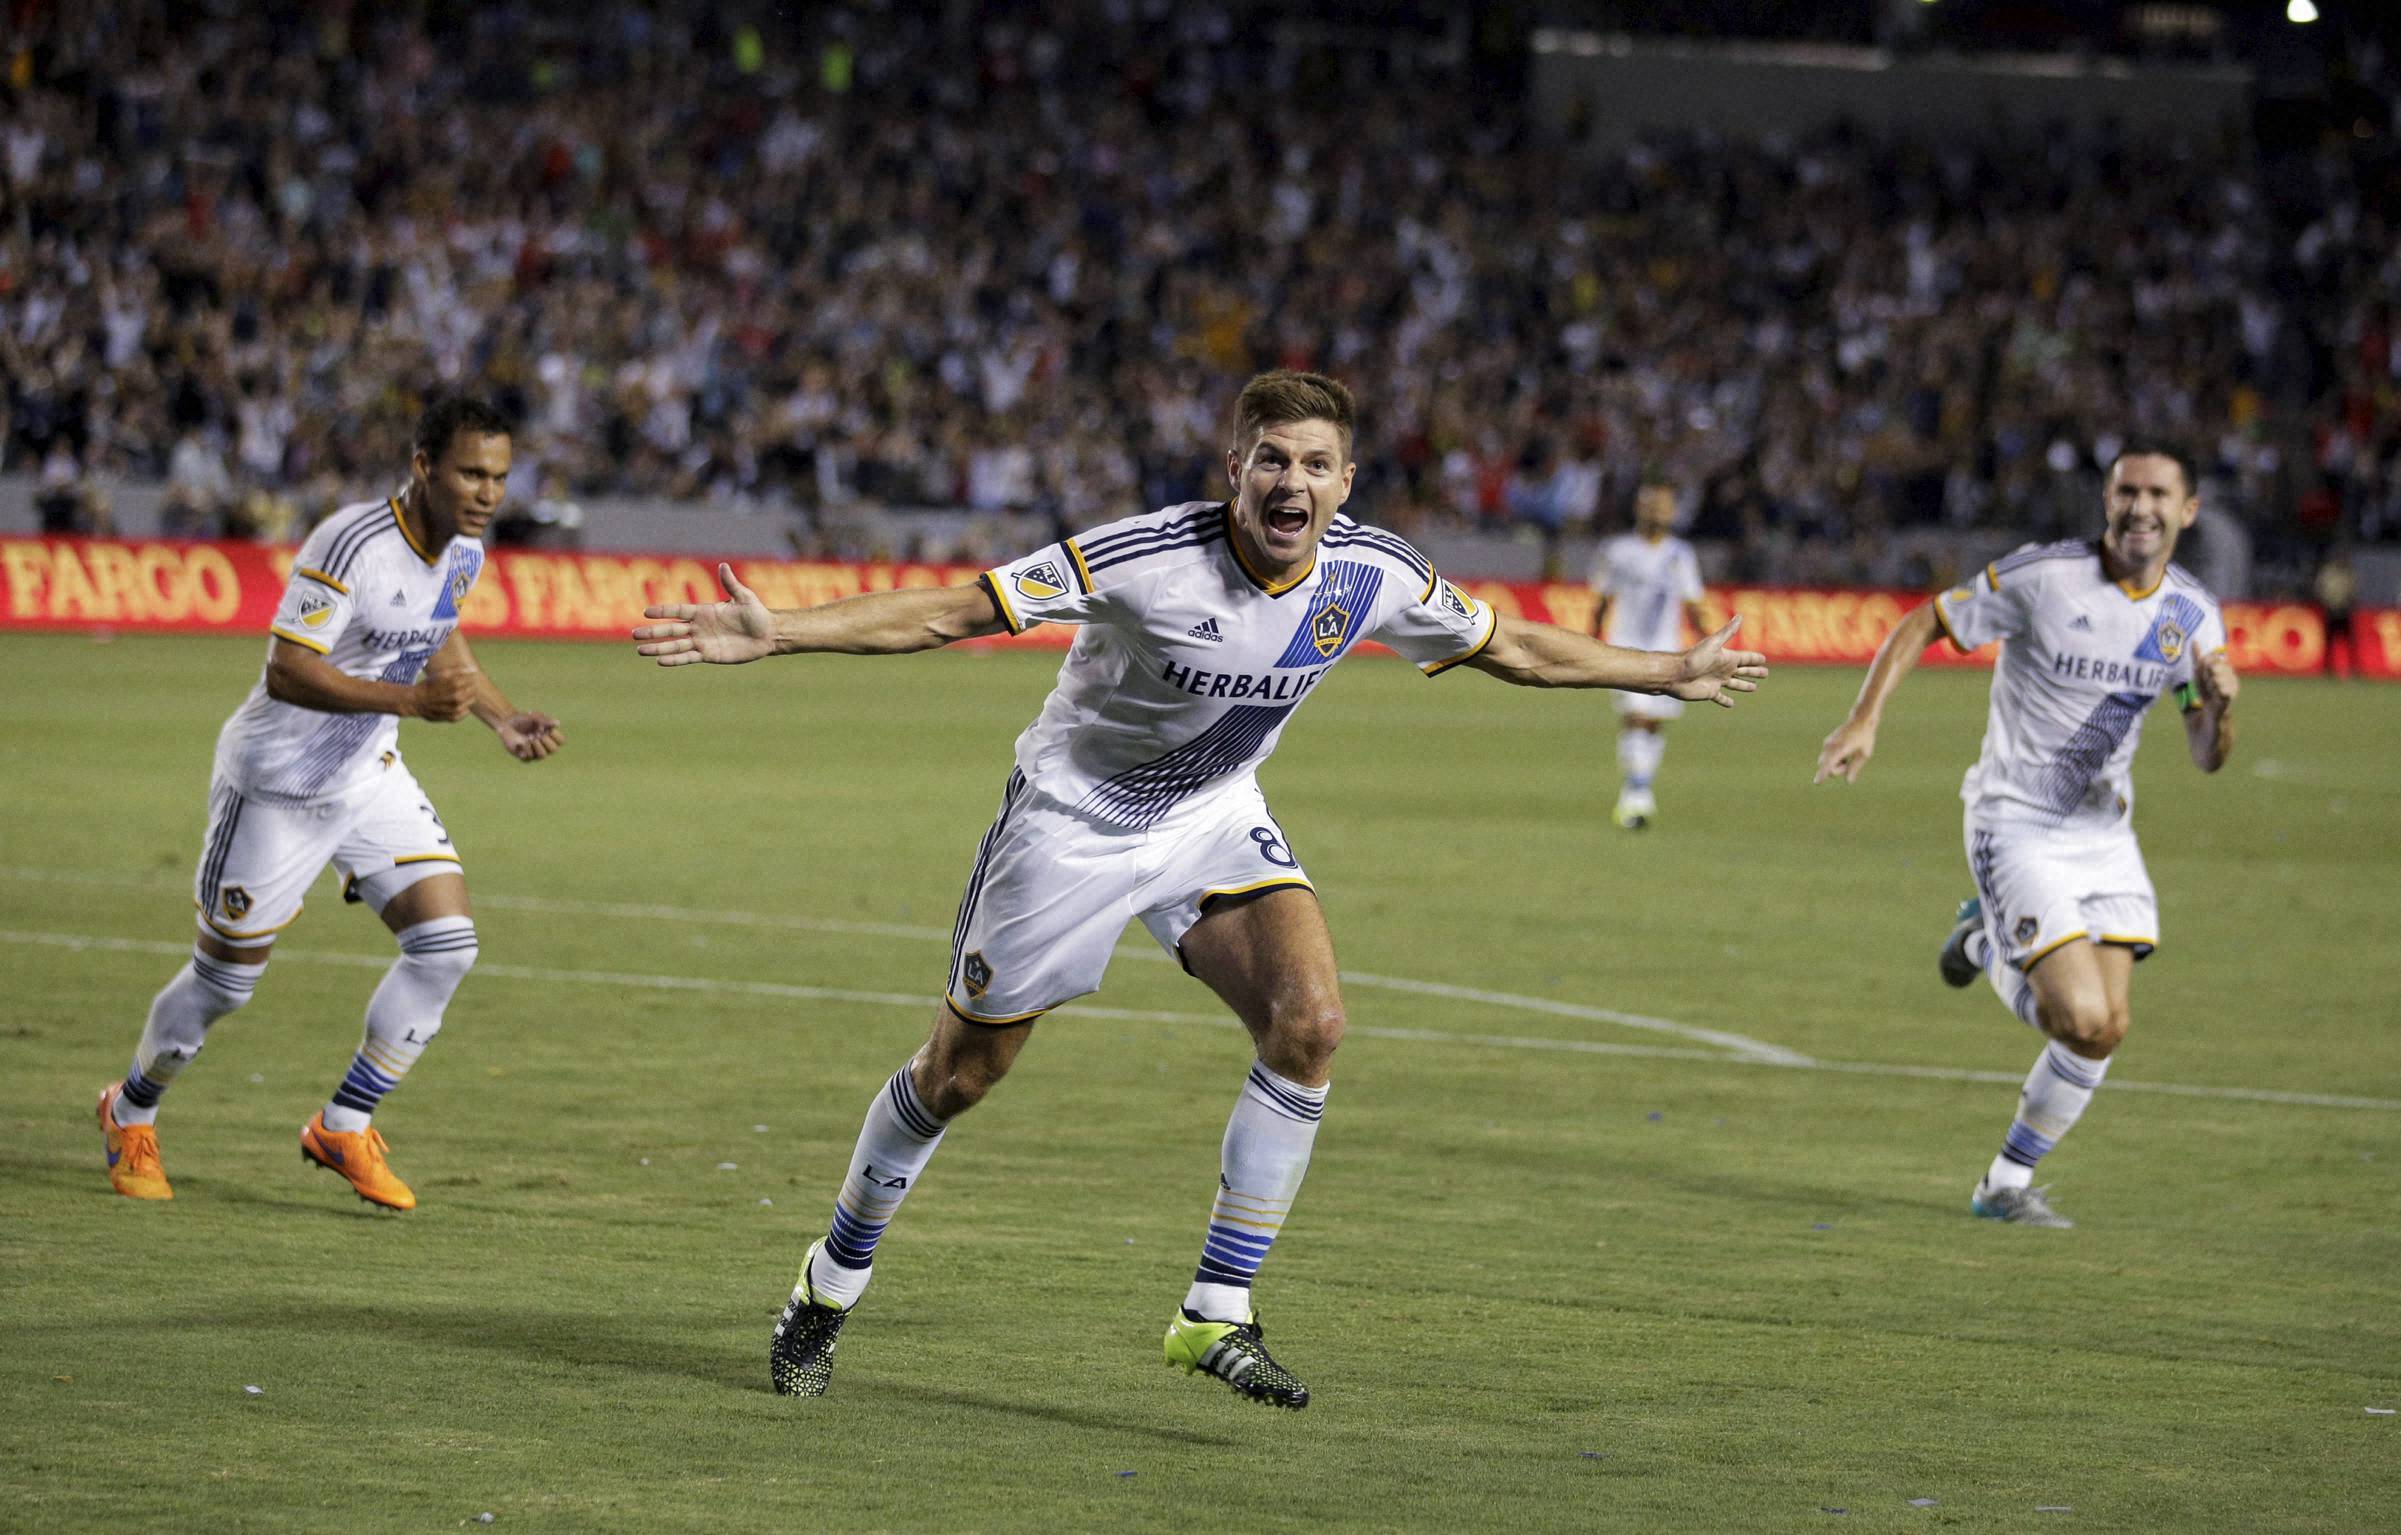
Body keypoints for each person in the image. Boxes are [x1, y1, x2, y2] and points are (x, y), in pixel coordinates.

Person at [632, 371, 1769, 1405]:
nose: (1293, 480)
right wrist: (778, 632)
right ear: (1234, 469)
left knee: (1311, 1021)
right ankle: (830, 1280)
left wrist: (1673, 668)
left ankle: (1213, 1309)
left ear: (1345, 481)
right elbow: (959, 610)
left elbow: (1512, 646)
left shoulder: (1369, 573)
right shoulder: (1143, 557)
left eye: (1316, 462)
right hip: (1069, 830)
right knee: (959, 1074)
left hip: (1212, 816)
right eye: (1271, 456)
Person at [95, 397, 564, 1210]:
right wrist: (411, 703)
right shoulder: (351, 543)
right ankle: (129, 1108)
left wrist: (500, 715)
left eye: (498, 476)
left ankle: (343, 1122)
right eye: (469, 473)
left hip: (367, 774)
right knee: (225, 984)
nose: (487, 492)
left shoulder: (464, 551)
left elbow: (439, 633)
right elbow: (288, 668)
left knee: (446, 946)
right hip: (275, 785)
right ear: (423, 465)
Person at [1813, 441, 2237, 1228]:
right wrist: (1863, 718)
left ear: (2187, 511)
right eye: (2126, 491)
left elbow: (2205, 752)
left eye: (2157, 494)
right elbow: (1922, 623)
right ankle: (1984, 944)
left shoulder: (2191, 615)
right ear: (2107, 502)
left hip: (2104, 834)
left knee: (2104, 1029)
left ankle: (2002, 1184)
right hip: (2014, 821)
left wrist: (2215, 704)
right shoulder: (2042, 578)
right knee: (2071, 1015)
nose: (2140, 507)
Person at [1588, 477, 1711, 829]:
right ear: (1638, 508)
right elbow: (1601, 600)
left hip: (1668, 652)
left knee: (1654, 724)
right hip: (1625, 648)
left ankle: (1639, 789)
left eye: (1664, 505)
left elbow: (1694, 604)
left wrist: (1711, 645)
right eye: (1651, 504)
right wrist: (1591, 644)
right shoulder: (1617, 550)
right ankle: (1635, 795)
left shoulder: (1680, 554)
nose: (1658, 510)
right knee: (1637, 716)